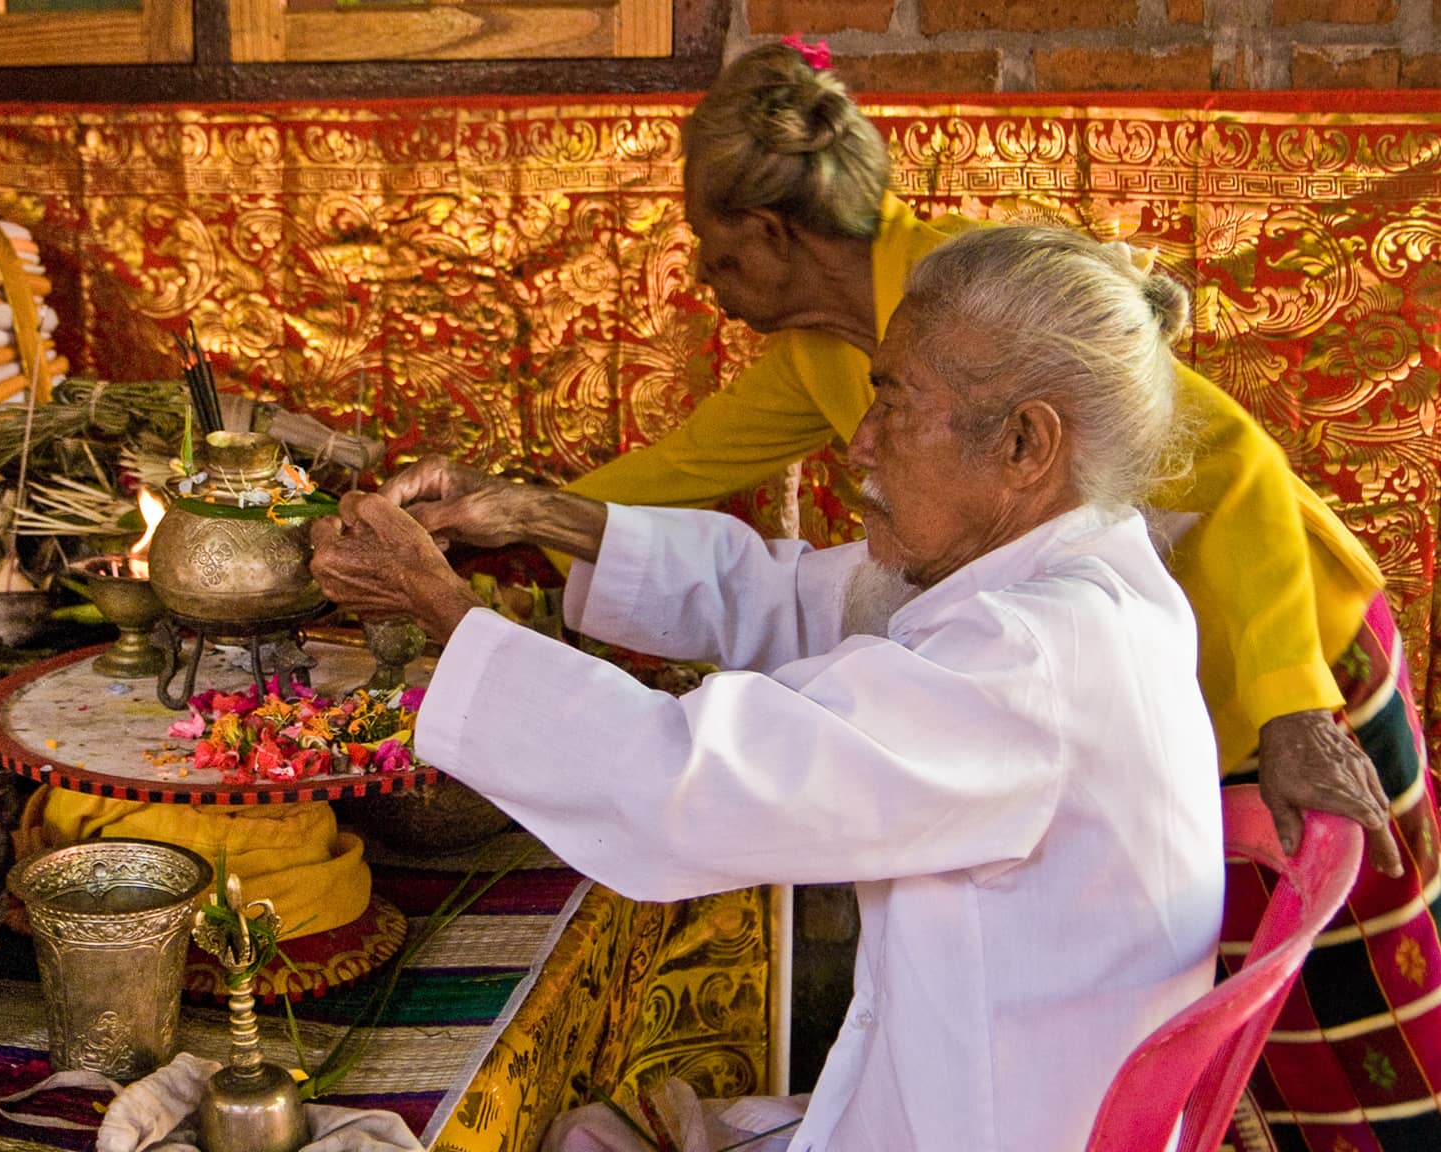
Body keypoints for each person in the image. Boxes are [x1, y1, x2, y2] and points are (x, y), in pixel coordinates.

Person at [559, 41, 1439, 1149]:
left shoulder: (981, 299)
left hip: (1293, 657)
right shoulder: (824, 360)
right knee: (1230, 1012)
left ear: (773, 236)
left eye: (714, 248)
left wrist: (1290, 706)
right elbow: (662, 481)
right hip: (1150, 693)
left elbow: (1247, 473)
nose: (701, 278)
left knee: (1366, 1026)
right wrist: (497, 523)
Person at [311, 227, 1226, 1152]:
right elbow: (783, 594)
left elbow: (690, 786)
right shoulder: (1071, 581)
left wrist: (436, 603)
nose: (857, 446)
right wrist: (532, 509)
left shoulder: (1028, 663)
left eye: (892, 403)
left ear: (1026, 442)